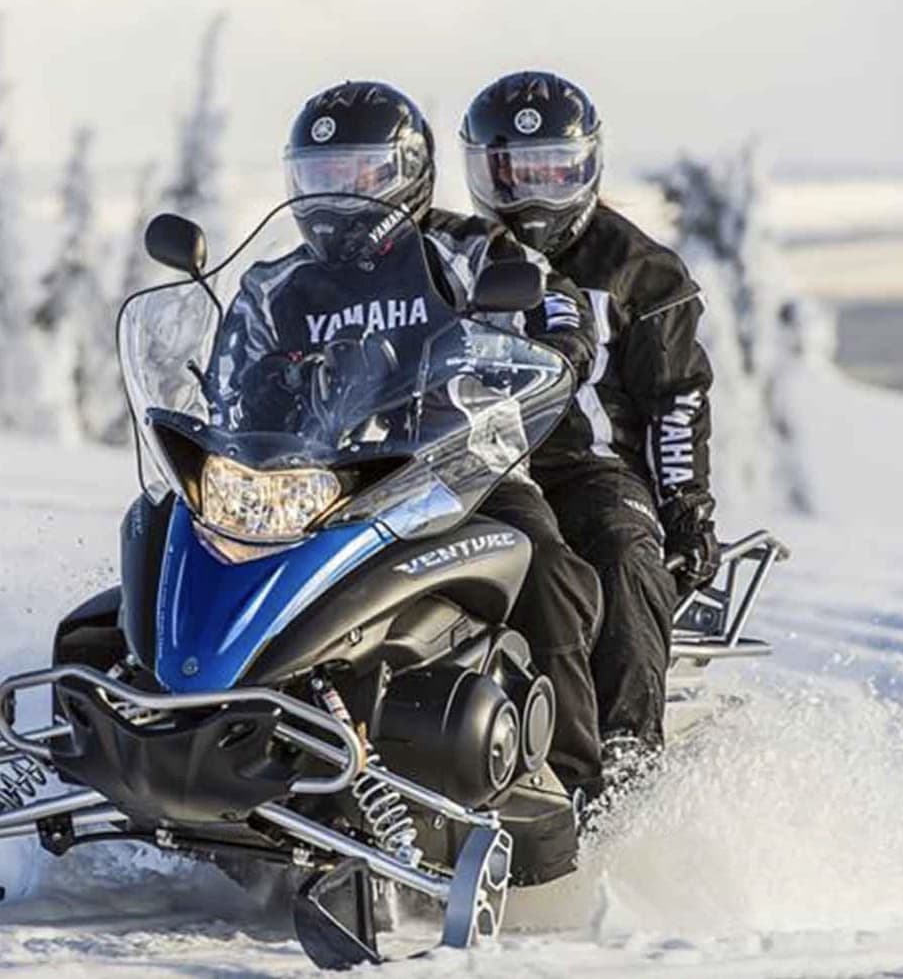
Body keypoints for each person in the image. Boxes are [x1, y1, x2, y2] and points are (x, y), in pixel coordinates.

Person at [214, 79, 610, 800]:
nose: (339, 196)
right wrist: (274, 387)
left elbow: (559, 309)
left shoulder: (471, 251)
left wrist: (550, 349)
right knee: (176, 540)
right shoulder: (275, 287)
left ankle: (576, 786)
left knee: (545, 567)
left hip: (461, 475)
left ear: (409, 175)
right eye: (322, 177)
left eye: (361, 174)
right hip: (313, 490)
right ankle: (164, 726)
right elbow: (226, 386)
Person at [459, 70, 720, 763]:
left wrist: (686, 505)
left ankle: (627, 751)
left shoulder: (641, 270)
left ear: (587, 166)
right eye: (514, 172)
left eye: (554, 169)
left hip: (591, 467)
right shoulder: (456, 257)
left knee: (622, 554)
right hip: (472, 462)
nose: (534, 193)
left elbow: (676, 397)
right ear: (484, 173)